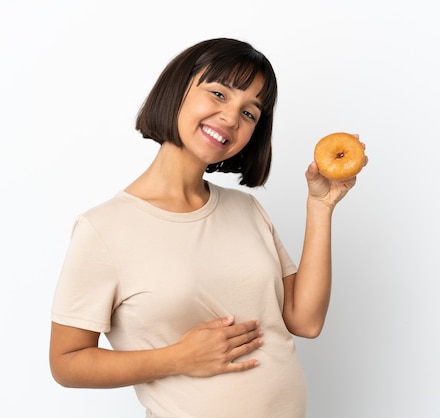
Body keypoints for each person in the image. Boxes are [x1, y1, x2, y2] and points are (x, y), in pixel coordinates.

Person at [49, 37, 367, 418]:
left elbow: (306, 320)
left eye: (250, 113)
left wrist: (320, 206)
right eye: (218, 94)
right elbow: (66, 362)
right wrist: (178, 358)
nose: (232, 118)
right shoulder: (103, 229)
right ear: (177, 88)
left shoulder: (246, 209)